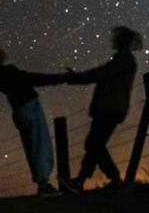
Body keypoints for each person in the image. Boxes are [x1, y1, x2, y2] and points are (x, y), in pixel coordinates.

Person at [60, 26, 142, 193]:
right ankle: (96, 180)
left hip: (110, 108)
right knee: (95, 144)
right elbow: (102, 73)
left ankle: (91, 181)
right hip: (110, 108)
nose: (112, 40)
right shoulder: (122, 59)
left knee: (94, 143)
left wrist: (76, 77)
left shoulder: (123, 59)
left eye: (115, 38)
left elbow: (101, 73)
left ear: (121, 40)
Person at [0, 45, 67, 196]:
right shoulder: (7, 71)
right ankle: (44, 186)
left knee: (33, 148)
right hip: (29, 108)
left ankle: (43, 184)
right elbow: (31, 78)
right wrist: (58, 78)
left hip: (19, 111)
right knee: (40, 146)